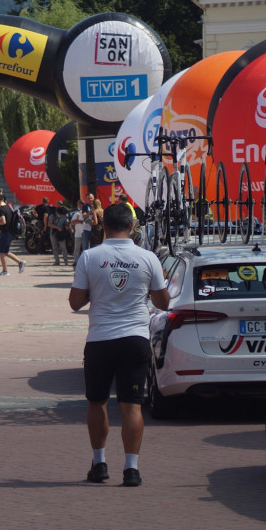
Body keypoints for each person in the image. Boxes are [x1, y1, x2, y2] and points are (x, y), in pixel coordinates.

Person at [69, 204, 169, 487]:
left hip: (100, 339)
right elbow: (163, 303)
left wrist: (97, 291)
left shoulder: (90, 257)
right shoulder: (147, 258)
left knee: (96, 402)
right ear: (132, 227)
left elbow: (75, 303)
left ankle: (99, 463)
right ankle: (131, 469)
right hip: (135, 338)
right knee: (132, 406)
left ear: (103, 226)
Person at [0, 194, 25, 276]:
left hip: (5, 233)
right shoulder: (9, 207)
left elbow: (3, 222)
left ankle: (5, 270)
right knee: (6, 252)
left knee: (1, 252)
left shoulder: (1, 209)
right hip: (10, 232)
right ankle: (20, 262)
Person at [48, 201, 71, 266]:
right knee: (55, 247)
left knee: (63, 247)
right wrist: (57, 227)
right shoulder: (52, 215)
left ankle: (66, 262)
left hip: (61, 233)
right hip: (54, 232)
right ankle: (57, 261)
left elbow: (66, 223)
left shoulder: (63, 216)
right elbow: (49, 224)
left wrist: (67, 227)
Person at [69, 199, 86, 266]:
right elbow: (72, 223)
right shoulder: (77, 214)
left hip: (85, 233)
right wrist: (77, 221)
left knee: (85, 248)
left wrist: (79, 221)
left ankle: (85, 262)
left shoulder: (85, 213)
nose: (81, 205)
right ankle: (76, 261)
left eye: (82, 204)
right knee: (77, 249)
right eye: (80, 204)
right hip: (78, 234)